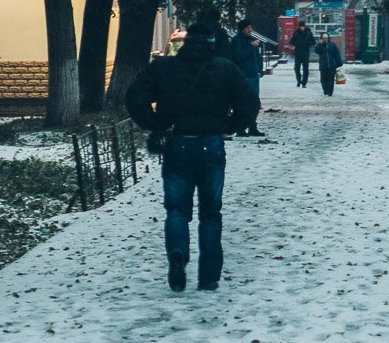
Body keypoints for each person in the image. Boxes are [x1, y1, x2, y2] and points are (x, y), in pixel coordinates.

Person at [125, 23, 259, 292]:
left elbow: (134, 97)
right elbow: (249, 103)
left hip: (177, 145)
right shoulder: (224, 68)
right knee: (210, 213)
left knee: (176, 210)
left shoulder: (165, 68)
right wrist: (230, 125)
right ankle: (209, 276)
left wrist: (154, 123)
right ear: (212, 42)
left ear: (186, 41)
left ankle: (177, 253)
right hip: (211, 144)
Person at [231, 19, 265, 137]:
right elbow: (238, 57)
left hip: (253, 74)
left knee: (254, 103)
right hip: (243, 75)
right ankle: (241, 128)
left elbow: (257, 57)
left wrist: (260, 69)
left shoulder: (251, 41)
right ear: (242, 29)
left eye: (251, 27)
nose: (250, 30)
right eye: (247, 28)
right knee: (242, 102)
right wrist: (250, 47)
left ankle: (252, 126)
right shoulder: (237, 41)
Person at [290, 20, 316, 88]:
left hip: (305, 53)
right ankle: (299, 81)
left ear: (304, 26)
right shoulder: (296, 33)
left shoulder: (308, 32)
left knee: (305, 69)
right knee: (297, 68)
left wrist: (307, 43)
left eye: (303, 26)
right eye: (301, 26)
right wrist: (296, 43)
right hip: (298, 53)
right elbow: (291, 41)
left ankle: (304, 83)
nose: (302, 28)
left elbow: (313, 42)